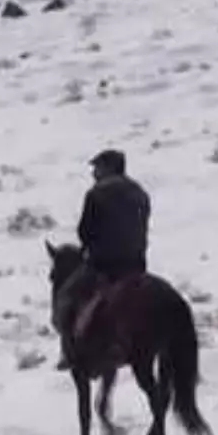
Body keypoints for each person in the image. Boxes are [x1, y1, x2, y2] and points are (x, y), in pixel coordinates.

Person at [55, 148, 151, 370]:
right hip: (137, 265)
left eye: (97, 168)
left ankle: (68, 352)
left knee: (67, 296)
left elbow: (84, 232)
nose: (94, 173)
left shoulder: (97, 193)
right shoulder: (140, 193)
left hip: (105, 265)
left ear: (108, 168)